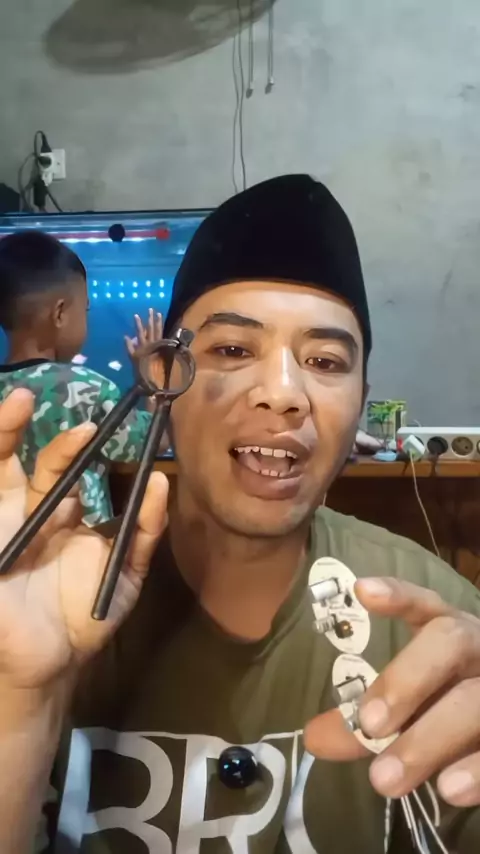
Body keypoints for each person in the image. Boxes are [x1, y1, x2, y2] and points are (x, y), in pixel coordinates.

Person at [0, 175, 479, 854]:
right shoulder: (40, 610)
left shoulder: (432, 622)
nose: (283, 394)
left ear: (360, 401)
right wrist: (19, 699)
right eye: (231, 349)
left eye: (325, 361)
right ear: (164, 379)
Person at [0, 230, 160, 526]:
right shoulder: (86, 387)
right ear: (60, 313)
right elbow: (153, 443)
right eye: (85, 309)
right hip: (78, 547)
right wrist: (150, 378)